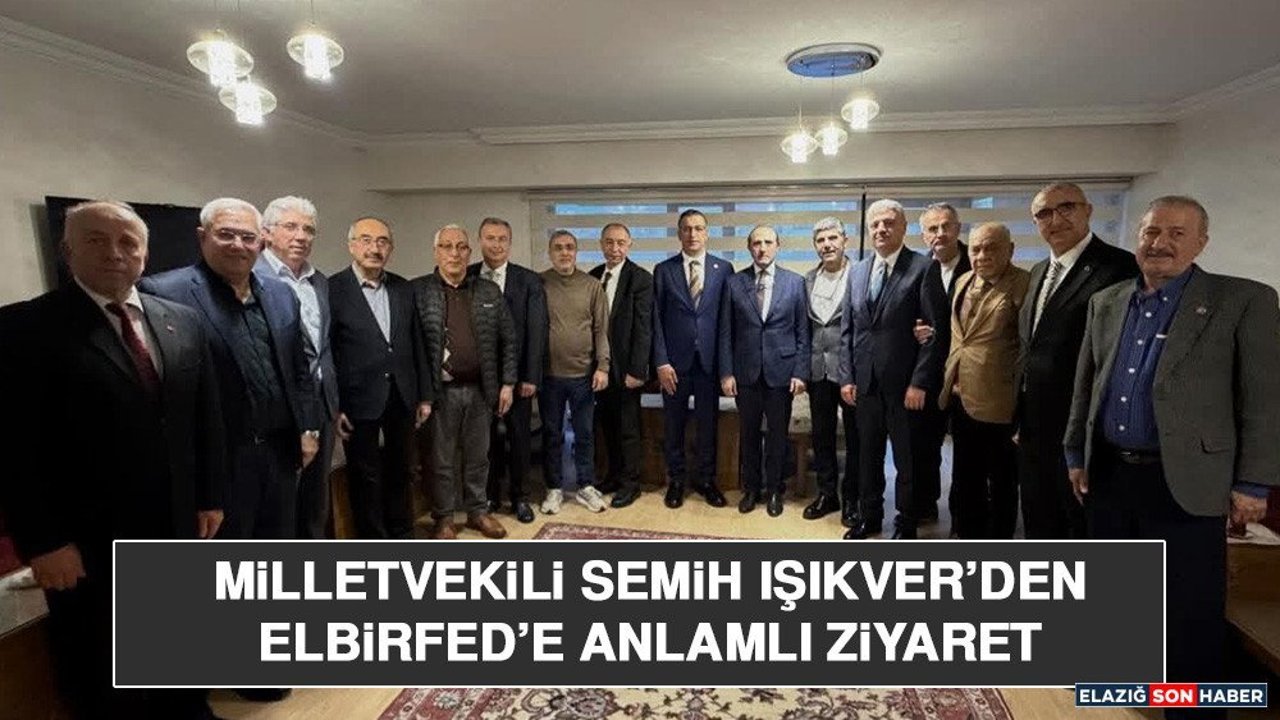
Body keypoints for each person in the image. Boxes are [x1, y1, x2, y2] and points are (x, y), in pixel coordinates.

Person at [0, 201, 224, 719]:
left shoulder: (181, 321)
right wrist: (44, 540)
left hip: (175, 522)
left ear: (145, 252)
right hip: (86, 536)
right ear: (68, 250)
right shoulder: (25, 327)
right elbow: (14, 447)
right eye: (97, 240)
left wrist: (210, 495)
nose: (115, 253)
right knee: (103, 661)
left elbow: (205, 417)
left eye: (128, 242)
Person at [1064, 196, 1279, 718]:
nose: (1160, 243)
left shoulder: (1243, 300)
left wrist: (1253, 484)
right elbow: (1087, 384)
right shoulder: (1108, 301)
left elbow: (1264, 398)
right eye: (1151, 232)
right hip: (1111, 476)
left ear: (1201, 242)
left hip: (1187, 482)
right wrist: (1075, 451)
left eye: (1177, 233)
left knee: (1188, 617)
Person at [141, 198, 321, 543]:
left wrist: (308, 428)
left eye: (248, 237)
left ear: (261, 242)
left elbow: (299, 368)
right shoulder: (164, 294)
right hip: (220, 461)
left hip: (280, 453)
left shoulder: (281, 294)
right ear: (202, 236)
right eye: (226, 234)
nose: (238, 244)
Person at [1016, 182, 1137, 538]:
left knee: (1078, 519)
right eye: (1043, 214)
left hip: (1082, 422)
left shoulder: (1119, 267)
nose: (1055, 220)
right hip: (1035, 422)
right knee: (1038, 513)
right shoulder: (1039, 271)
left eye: (1066, 207)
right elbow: (1031, 346)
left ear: (1088, 211)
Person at [838, 199, 945, 540]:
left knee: (907, 460)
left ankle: (906, 522)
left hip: (905, 386)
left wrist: (919, 382)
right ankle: (869, 518)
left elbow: (934, 332)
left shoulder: (923, 268)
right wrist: (847, 377)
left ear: (903, 227)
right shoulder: (857, 271)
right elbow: (848, 330)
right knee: (867, 457)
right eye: (875, 224)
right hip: (865, 384)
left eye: (888, 223)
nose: (881, 229)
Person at [328, 216, 431, 538]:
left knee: (401, 470)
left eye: (383, 241)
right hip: (357, 400)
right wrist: (335, 406)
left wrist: (424, 395)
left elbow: (417, 342)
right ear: (351, 246)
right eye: (366, 240)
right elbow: (328, 352)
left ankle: (402, 533)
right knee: (365, 476)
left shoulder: (403, 288)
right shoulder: (332, 289)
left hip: (401, 395)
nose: (375, 248)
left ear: (391, 248)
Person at [414, 224, 515, 540]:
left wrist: (508, 383)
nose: (454, 253)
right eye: (447, 246)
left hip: (480, 391)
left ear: (470, 253)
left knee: (478, 457)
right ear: (436, 252)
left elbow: (508, 340)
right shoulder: (418, 292)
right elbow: (411, 347)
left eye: (461, 247)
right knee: (440, 461)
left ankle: (477, 512)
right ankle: (444, 518)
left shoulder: (488, 291)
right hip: (438, 394)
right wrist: (421, 394)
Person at [938, 223, 1029, 538]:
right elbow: (961, 336)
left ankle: (998, 539)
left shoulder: (1023, 285)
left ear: (1010, 250)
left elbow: (1028, 347)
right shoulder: (963, 280)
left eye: (991, 248)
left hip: (1000, 400)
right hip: (960, 393)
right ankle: (966, 531)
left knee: (1002, 477)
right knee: (966, 472)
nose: (982, 255)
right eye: (976, 249)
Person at [255, 195, 338, 539]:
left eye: (308, 229)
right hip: (280, 407)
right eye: (290, 227)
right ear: (267, 232)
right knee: (279, 497)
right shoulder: (252, 278)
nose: (301, 236)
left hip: (323, 401)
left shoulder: (320, 282)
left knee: (316, 497)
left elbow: (324, 347)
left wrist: (335, 402)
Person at [718, 225, 810, 516]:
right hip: (745, 374)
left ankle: (774, 491)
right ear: (749, 248)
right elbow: (725, 333)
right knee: (748, 435)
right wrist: (726, 373)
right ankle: (751, 489)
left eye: (768, 242)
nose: (762, 248)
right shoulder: (734, 283)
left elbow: (802, 333)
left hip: (781, 374)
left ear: (778, 246)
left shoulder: (795, 283)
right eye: (756, 243)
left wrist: (800, 372)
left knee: (777, 437)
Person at [652, 208, 732, 509]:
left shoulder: (723, 269)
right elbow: (656, 320)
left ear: (707, 233)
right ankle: (676, 480)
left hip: (709, 364)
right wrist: (661, 362)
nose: (692, 234)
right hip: (674, 365)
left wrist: (726, 368)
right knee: (673, 425)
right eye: (686, 228)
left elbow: (726, 323)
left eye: (698, 228)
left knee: (707, 426)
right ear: (679, 233)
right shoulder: (664, 270)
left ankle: (706, 480)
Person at [468, 217, 546, 524]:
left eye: (502, 239)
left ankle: (520, 497)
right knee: (484, 441)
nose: (496, 244)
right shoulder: (468, 276)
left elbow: (536, 332)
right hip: (479, 378)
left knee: (519, 439)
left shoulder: (528, 280)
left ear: (510, 243)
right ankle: (488, 496)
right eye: (490, 238)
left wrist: (530, 376)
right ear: (480, 241)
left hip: (519, 377)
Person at [539, 230, 611, 514]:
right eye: (558, 248)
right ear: (550, 252)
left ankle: (585, 486)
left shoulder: (592, 286)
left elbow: (601, 329)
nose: (564, 252)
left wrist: (603, 366)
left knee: (585, 434)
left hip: (583, 376)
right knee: (552, 435)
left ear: (576, 252)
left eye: (569, 247)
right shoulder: (539, 283)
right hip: (548, 376)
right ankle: (553, 488)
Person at [913, 203, 971, 522]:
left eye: (946, 226)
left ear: (958, 229)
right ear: (924, 235)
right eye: (932, 229)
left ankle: (962, 515)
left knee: (966, 449)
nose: (940, 234)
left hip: (969, 375)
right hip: (931, 372)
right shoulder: (921, 269)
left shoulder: (978, 264)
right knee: (925, 445)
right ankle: (926, 504)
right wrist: (914, 330)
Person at [589, 222, 653, 509]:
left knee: (628, 429)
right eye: (609, 242)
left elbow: (644, 329)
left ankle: (631, 483)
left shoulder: (640, 279)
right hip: (599, 370)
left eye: (620, 243)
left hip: (627, 369)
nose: (615, 248)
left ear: (629, 245)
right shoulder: (593, 276)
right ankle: (613, 475)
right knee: (607, 425)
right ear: (601, 244)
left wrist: (638, 370)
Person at [803, 217, 859, 525]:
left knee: (855, 438)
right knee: (822, 435)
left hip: (851, 371)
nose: (827, 245)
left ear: (845, 240)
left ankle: (852, 498)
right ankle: (827, 494)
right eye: (821, 240)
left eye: (832, 238)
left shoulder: (860, 274)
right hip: (817, 370)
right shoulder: (808, 279)